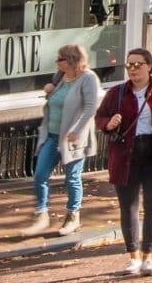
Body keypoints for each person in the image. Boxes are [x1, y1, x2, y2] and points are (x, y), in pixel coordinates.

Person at [95, 48, 152, 277]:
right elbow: (100, 117)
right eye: (129, 65)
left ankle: (149, 256)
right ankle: (133, 257)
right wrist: (109, 123)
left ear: (149, 66)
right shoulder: (117, 93)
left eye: (138, 64)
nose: (133, 69)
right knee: (128, 206)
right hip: (127, 153)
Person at [23, 44, 102, 237]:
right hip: (52, 136)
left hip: (73, 139)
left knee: (72, 178)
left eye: (60, 59)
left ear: (72, 61)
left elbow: (91, 107)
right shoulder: (59, 78)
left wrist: (76, 130)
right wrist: (50, 92)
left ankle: (72, 216)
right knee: (40, 174)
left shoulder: (88, 79)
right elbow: (57, 102)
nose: (56, 62)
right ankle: (41, 215)